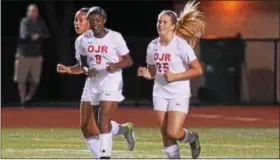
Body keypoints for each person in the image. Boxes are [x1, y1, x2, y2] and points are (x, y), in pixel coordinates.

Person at [56, 7, 135, 159]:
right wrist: (70, 69)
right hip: (92, 83)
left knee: (102, 121)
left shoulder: (114, 37)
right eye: (75, 20)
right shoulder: (81, 41)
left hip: (111, 81)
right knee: (87, 127)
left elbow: (128, 60)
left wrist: (115, 66)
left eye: (81, 20)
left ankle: (104, 157)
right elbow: (83, 66)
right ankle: (123, 130)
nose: (77, 24)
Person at [137, 1, 206, 159]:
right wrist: (148, 74)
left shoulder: (181, 46)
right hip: (159, 92)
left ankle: (192, 138)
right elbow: (153, 71)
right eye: (159, 21)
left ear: (173, 26)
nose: (160, 24)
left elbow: (198, 69)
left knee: (173, 132)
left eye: (164, 22)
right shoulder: (152, 46)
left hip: (178, 93)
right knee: (165, 133)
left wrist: (176, 76)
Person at [14, 4, 50, 107]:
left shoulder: (40, 22)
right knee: (21, 80)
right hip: (23, 55)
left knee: (35, 80)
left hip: (36, 56)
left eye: (36, 11)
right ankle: (22, 101)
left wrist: (38, 35)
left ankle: (28, 98)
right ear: (28, 12)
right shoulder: (24, 22)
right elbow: (23, 35)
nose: (34, 13)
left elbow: (47, 34)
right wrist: (33, 36)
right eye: (32, 11)